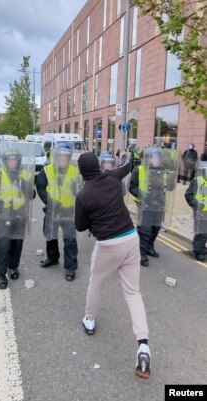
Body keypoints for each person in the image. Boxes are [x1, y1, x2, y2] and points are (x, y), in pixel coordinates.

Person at [75, 151, 151, 379]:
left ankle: (89, 320)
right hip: (130, 238)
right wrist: (134, 158)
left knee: (95, 284)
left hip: (108, 245)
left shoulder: (83, 194)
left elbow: (79, 227)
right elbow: (126, 168)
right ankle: (143, 344)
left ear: (81, 171)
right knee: (133, 292)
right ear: (98, 166)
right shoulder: (110, 177)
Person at [0, 145, 35, 289]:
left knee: (17, 243)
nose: (12, 162)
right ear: (5, 161)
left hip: (20, 215)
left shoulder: (24, 174)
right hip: (4, 215)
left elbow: (32, 195)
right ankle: (1, 274)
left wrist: (25, 184)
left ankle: (13, 267)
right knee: (3, 244)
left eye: (15, 160)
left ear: (18, 161)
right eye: (9, 160)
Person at [36, 143, 80, 281]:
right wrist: (49, 202)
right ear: (56, 156)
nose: (63, 158)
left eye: (66, 156)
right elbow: (40, 187)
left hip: (68, 210)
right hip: (52, 209)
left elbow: (79, 189)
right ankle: (52, 257)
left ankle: (70, 267)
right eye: (61, 156)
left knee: (70, 239)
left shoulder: (74, 170)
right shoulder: (47, 169)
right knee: (50, 236)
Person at [129, 147, 178, 267]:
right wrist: (142, 194)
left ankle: (150, 248)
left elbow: (170, 188)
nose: (155, 159)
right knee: (145, 231)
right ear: (148, 158)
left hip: (159, 205)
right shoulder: (139, 169)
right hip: (145, 206)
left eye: (157, 157)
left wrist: (172, 176)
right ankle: (141, 254)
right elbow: (132, 187)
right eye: (153, 157)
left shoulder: (163, 171)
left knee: (155, 230)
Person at [185, 161, 207, 262]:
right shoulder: (197, 180)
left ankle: (202, 248)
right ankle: (198, 251)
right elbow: (188, 194)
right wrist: (195, 205)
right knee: (201, 232)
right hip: (201, 211)